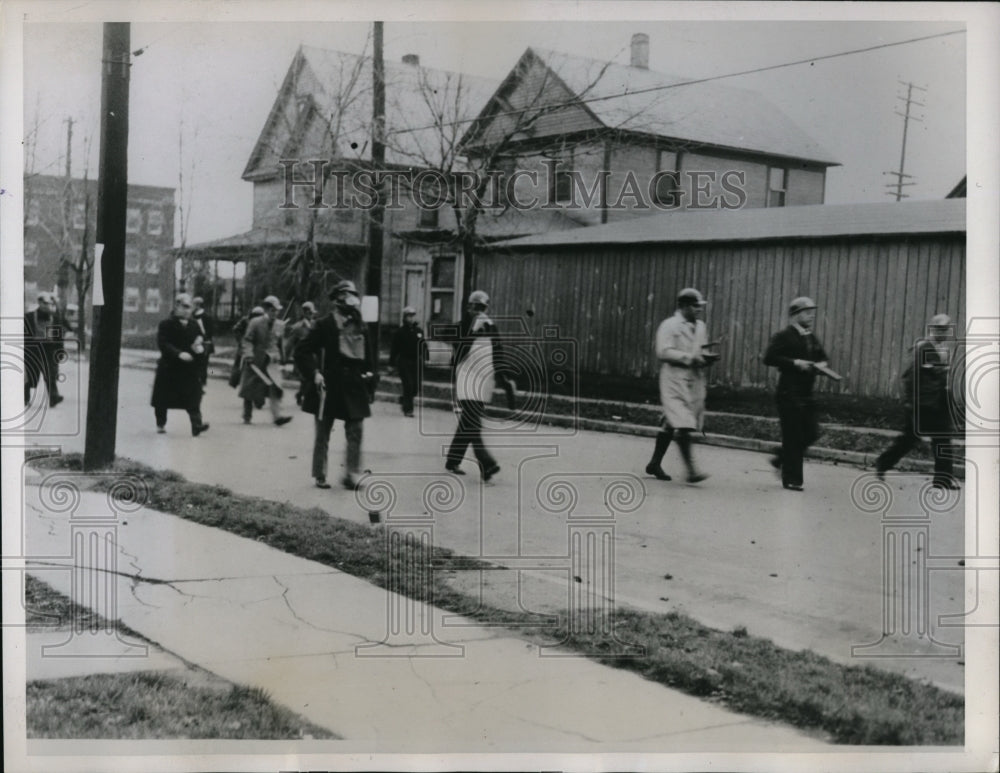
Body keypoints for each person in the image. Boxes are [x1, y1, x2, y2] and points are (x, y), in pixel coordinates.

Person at [295, 280, 375, 490]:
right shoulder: (325, 324)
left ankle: (351, 473)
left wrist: (370, 383)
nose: (351, 301)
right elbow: (302, 351)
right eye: (346, 296)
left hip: (354, 384)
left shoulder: (361, 325)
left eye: (353, 296)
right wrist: (314, 373)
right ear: (338, 300)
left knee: (356, 429)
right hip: (329, 384)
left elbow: (369, 358)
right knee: (323, 431)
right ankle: (320, 474)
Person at [875, 313, 959, 489]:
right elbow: (910, 377)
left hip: (939, 403)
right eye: (940, 329)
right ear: (932, 329)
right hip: (922, 404)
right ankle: (883, 463)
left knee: (943, 440)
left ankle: (942, 480)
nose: (943, 332)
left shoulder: (940, 350)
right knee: (909, 439)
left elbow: (941, 376)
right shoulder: (922, 348)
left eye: (946, 329)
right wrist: (911, 402)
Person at [645, 288, 716, 484]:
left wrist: (705, 359)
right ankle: (691, 470)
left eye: (700, 306)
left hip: (693, 379)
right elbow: (663, 351)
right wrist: (688, 358)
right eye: (695, 306)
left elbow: (699, 350)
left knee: (672, 420)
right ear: (683, 306)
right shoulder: (669, 325)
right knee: (683, 422)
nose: (699, 310)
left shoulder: (700, 326)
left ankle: (654, 463)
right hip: (673, 378)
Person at [763, 296, 831, 492]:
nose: (811, 316)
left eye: (812, 312)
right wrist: (795, 363)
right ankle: (792, 479)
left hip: (806, 393)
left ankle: (780, 457)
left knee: (811, 432)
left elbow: (822, 357)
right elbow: (769, 357)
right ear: (795, 315)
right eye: (806, 312)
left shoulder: (810, 337)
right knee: (793, 436)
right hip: (788, 392)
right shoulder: (784, 335)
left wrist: (822, 365)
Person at [444, 290, 502, 481]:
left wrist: (503, 377)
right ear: (468, 307)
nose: (478, 311)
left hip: (484, 381)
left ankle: (452, 460)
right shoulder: (463, 326)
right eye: (474, 307)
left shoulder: (491, 327)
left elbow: (498, 354)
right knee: (473, 422)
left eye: (481, 308)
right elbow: (453, 343)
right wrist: (472, 334)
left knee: (468, 422)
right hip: (466, 378)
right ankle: (487, 464)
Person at [150, 293, 209, 436]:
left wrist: (200, 346)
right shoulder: (166, 324)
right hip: (169, 367)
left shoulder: (194, 325)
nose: (188, 311)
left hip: (188, 369)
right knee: (162, 399)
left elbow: (202, 339)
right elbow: (163, 343)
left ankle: (196, 425)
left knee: (194, 397)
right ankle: (161, 423)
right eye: (185, 307)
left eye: (190, 308)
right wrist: (178, 354)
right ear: (176, 306)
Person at [238, 295, 292, 427]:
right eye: (273, 310)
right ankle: (247, 416)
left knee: (276, 387)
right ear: (266, 309)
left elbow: (279, 343)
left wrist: (283, 359)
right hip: (255, 360)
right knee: (249, 388)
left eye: (277, 310)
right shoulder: (255, 322)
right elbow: (247, 339)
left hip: (272, 362)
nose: (275, 313)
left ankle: (277, 416)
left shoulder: (280, 325)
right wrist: (248, 354)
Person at [23, 291, 66, 407]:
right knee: (31, 375)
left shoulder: (55, 318)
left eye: (49, 303)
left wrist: (60, 350)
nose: (47, 306)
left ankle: (53, 397)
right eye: (44, 303)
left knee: (50, 374)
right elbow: (24, 335)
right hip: (34, 349)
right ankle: (24, 397)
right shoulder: (29, 317)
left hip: (49, 350)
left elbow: (59, 336)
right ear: (39, 303)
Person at [390, 306, 424, 417]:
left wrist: (426, 357)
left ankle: (404, 399)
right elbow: (394, 349)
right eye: (409, 316)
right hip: (404, 361)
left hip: (416, 361)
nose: (411, 318)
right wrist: (391, 364)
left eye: (413, 316)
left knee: (415, 387)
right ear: (404, 318)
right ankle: (408, 410)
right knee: (408, 385)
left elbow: (423, 345)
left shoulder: (419, 331)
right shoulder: (400, 332)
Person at [283, 301, 317, 405]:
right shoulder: (297, 327)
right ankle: (302, 396)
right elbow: (289, 343)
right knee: (305, 378)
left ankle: (300, 394)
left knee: (308, 378)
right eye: (310, 313)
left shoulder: (315, 325)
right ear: (305, 313)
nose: (311, 315)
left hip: (313, 356)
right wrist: (285, 357)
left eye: (312, 313)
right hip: (300, 357)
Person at [192, 296, 215, 387]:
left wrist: (205, 338)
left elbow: (211, 330)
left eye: (194, 304)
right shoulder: (192, 315)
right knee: (195, 361)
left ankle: (203, 380)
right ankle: (195, 379)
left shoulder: (207, 316)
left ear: (198, 305)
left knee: (204, 362)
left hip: (205, 342)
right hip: (194, 341)